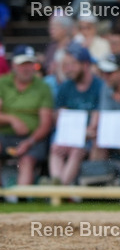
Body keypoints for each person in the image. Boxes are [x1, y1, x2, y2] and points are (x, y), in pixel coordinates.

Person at [0, 46, 54, 187]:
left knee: (27, 160)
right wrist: (12, 119)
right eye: (23, 64)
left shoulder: (43, 87)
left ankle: (21, 199)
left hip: (34, 138)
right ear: (14, 65)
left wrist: (29, 141)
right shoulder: (3, 83)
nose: (26, 68)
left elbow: (46, 123)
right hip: (5, 135)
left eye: (30, 64)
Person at [48, 44, 101, 185]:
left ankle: (60, 189)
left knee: (77, 150)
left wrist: (83, 133)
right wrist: (68, 135)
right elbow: (59, 116)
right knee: (56, 148)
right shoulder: (65, 87)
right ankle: (57, 185)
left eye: (71, 64)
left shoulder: (99, 86)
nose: (67, 69)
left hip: (90, 136)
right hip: (70, 134)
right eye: (64, 65)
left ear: (85, 65)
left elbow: (96, 120)